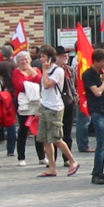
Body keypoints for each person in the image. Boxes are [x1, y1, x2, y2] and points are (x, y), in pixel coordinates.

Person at [37, 45, 79, 177]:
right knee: (45, 139)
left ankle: (72, 161)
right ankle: (52, 167)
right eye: (40, 57)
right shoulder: (46, 70)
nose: (41, 59)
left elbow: (48, 84)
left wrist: (44, 71)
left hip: (55, 107)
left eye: (43, 56)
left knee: (56, 138)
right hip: (45, 105)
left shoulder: (57, 71)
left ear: (50, 57)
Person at [82, 48, 104, 184]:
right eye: (102, 62)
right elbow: (96, 92)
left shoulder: (100, 74)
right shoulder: (88, 74)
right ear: (95, 61)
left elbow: (103, 92)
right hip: (97, 112)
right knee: (101, 143)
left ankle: (100, 171)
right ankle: (96, 173)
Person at [12, 50, 46, 167]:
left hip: (36, 102)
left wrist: (30, 72)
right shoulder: (16, 72)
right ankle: (21, 157)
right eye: (22, 60)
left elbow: (39, 80)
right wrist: (32, 85)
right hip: (24, 103)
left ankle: (41, 156)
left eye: (26, 59)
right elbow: (19, 86)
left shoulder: (36, 70)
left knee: (38, 129)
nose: (24, 61)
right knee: (23, 129)